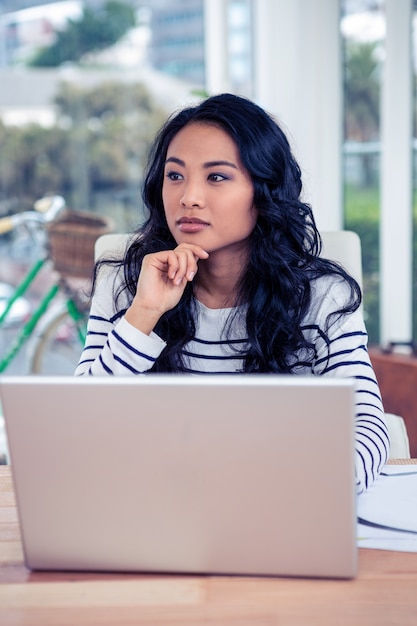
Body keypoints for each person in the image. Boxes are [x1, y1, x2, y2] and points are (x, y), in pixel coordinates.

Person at [75, 93, 389, 493]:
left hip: (278, 503)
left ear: (264, 191)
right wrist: (145, 312)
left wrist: (314, 489)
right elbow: (82, 425)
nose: (188, 196)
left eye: (217, 176)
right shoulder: (126, 283)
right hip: (155, 502)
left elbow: (369, 426)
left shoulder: (321, 294)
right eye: (175, 175)